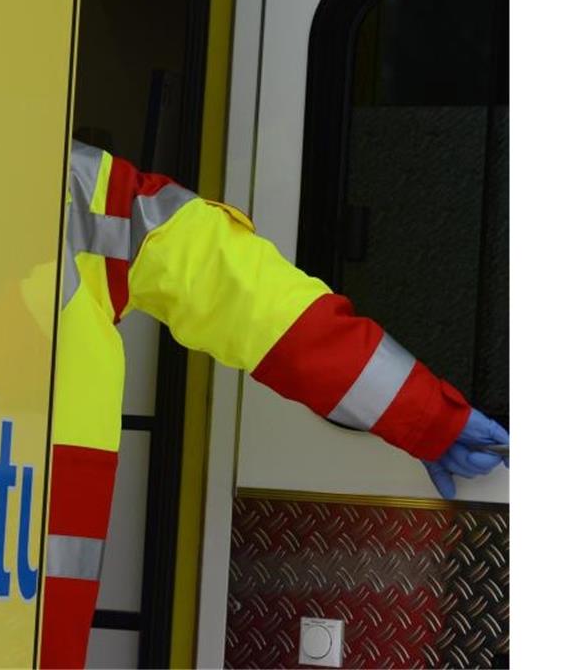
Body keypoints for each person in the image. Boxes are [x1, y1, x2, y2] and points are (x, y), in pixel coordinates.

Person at [38, 140, 508, 668]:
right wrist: (427, 416)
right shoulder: (71, 186)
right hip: (10, 614)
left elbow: (260, 308)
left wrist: (425, 416)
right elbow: (258, 304)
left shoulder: (68, 185)